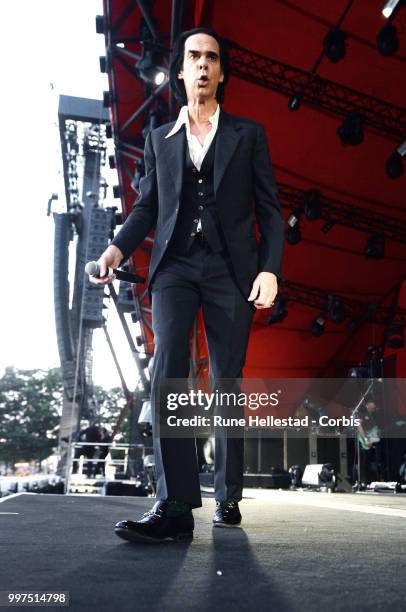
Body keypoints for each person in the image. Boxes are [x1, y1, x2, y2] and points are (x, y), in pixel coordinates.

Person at [90, 27, 284, 543]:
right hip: (175, 266)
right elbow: (147, 209)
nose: (202, 64)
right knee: (168, 371)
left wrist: (270, 269)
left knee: (226, 382)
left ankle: (227, 495)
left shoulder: (249, 134)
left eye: (211, 58)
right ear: (180, 71)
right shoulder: (159, 138)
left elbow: (270, 210)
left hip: (231, 270)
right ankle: (173, 505)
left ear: (220, 72)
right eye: (193, 56)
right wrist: (114, 249)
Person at [356, 398, 382, 487]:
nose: (373, 408)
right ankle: (363, 482)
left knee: (370, 462)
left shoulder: (374, 416)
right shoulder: (361, 413)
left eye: (374, 407)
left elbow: (375, 430)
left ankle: (371, 482)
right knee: (363, 462)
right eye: (372, 406)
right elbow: (359, 426)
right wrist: (365, 439)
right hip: (363, 440)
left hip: (371, 441)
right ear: (367, 405)